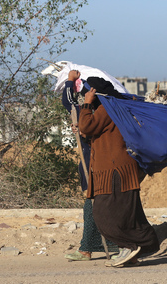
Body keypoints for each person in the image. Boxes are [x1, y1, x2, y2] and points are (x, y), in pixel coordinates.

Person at [78, 77, 159, 267]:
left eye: (88, 93)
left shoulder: (108, 107)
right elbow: (98, 134)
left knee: (103, 215)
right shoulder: (114, 107)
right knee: (128, 213)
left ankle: (129, 246)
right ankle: (135, 250)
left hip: (115, 170)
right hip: (119, 168)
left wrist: (87, 105)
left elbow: (87, 126)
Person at [61, 70, 118, 261]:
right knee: (99, 205)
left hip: (96, 166)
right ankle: (95, 246)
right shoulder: (106, 110)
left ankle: (90, 248)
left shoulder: (95, 112)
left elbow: (67, 103)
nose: (84, 95)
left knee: (94, 206)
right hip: (102, 164)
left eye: (87, 92)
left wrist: (70, 82)